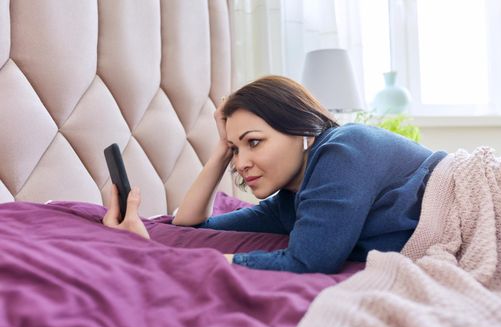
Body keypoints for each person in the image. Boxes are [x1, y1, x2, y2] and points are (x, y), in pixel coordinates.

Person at [104, 75, 447, 274]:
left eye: (254, 142)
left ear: (302, 131)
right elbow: (193, 228)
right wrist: (221, 152)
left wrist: (162, 259)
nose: (241, 164)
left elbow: (309, 261)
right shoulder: (290, 203)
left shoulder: (345, 148)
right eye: (236, 150)